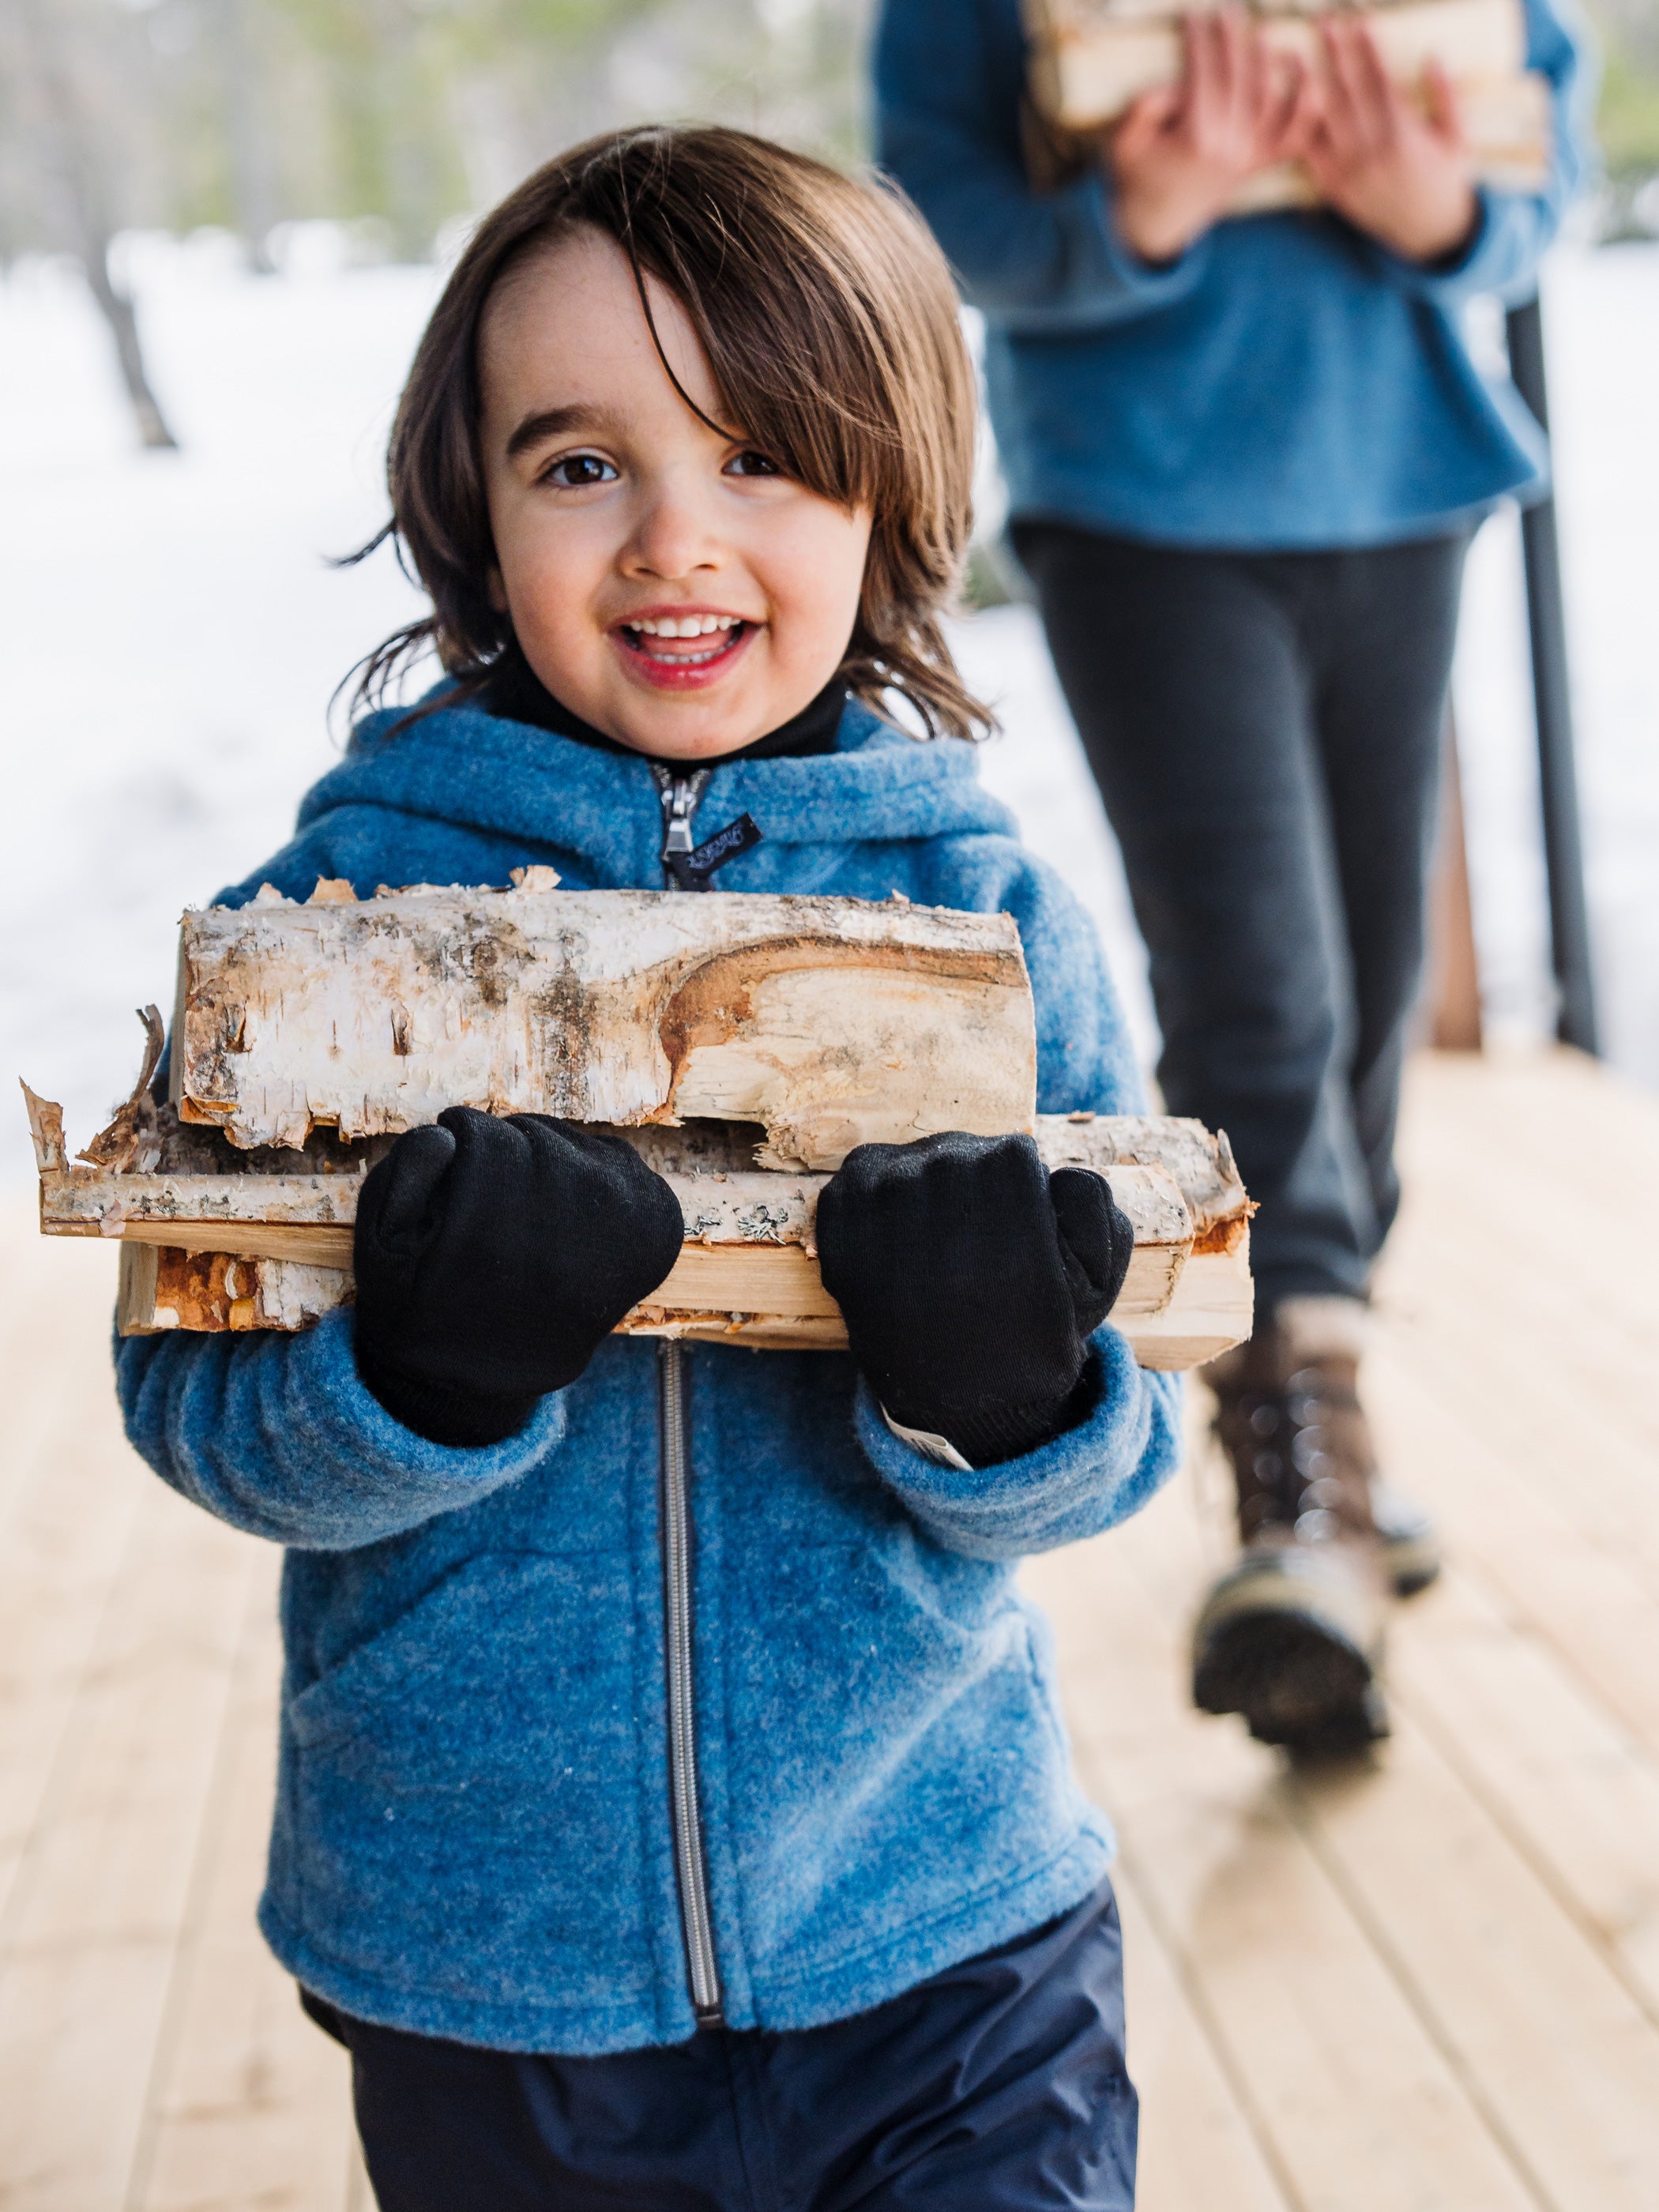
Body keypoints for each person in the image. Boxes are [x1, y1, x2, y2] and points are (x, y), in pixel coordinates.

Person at [116, 127, 1180, 2208]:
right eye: (579, 461)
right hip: (490, 1976)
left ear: (889, 488)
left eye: (762, 455)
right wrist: (421, 1381)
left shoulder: (987, 921)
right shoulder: (323, 923)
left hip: (944, 1932)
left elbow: (1121, 1445)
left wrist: (1007, 1401)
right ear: (471, 502)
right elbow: (193, 1412)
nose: (672, 540)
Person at [877, 0, 1589, 1754]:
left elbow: (1539, 143)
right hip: (1148, 507)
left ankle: (1326, 1402)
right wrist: (1146, 209)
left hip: (1398, 485)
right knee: (1257, 987)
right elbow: (938, 204)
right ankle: (1293, 1488)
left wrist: (1433, 205)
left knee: (1351, 995)